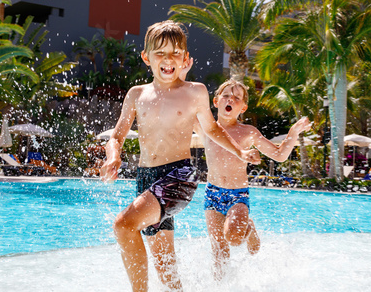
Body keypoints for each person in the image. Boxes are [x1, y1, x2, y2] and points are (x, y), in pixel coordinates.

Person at [99, 20, 261, 292]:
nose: (168, 59)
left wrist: (239, 150)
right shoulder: (137, 94)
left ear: (184, 58)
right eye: (160, 53)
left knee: (124, 225)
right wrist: (112, 156)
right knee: (165, 267)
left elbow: (212, 129)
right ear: (146, 57)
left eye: (175, 53)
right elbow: (116, 136)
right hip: (146, 179)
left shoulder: (194, 92)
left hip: (179, 176)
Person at [193, 79, 311, 280]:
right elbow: (184, 105)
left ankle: (249, 228)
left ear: (243, 107)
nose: (230, 99)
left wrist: (293, 133)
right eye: (226, 95)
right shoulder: (206, 127)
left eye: (237, 98)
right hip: (211, 194)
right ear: (215, 101)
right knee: (219, 251)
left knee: (233, 238)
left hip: (237, 195)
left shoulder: (248, 132)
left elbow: (280, 154)